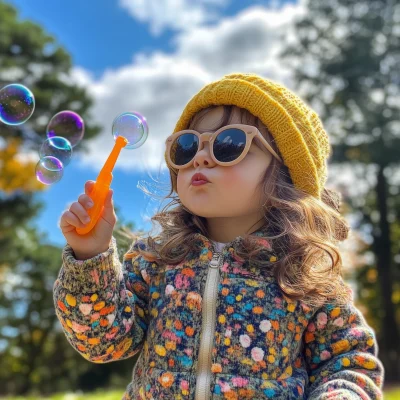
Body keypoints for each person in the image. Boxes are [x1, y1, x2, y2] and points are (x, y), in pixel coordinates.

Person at [54, 73, 385, 399]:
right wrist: (90, 257)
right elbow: (101, 341)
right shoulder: (156, 259)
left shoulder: (307, 273)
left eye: (230, 144)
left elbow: (347, 363)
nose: (199, 157)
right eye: (186, 147)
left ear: (285, 173)